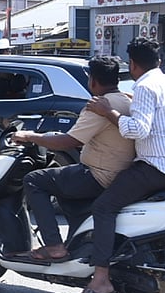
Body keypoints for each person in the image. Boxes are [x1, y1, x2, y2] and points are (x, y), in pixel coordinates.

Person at [77, 38, 165, 293]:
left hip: (159, 166)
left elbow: (137, 130)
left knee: (104, 207)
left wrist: (107, 111)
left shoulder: (144, 86)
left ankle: (100, 279)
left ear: (132, 64)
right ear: (159, 60)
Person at [11, 56, 135, 261]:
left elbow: (69, 141)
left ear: (92, 80)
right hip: (121, 175)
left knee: (34, 180)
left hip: (97, 175)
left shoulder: (98, 105)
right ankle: (76, 243)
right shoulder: (127, 100)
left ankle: (53, 247)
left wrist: (30, 136)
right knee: (63, 184)